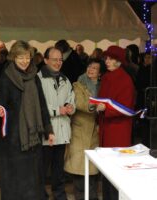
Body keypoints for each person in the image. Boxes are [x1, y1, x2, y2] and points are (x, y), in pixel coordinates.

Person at [0, 40, 54, 200]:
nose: (25, 61)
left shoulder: (35, 77)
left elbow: (42, 105)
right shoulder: (6, 78)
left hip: (33, 140)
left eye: (27, 57)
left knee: (34, 180)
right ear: (13, 57)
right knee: (15, 182)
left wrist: (49, 130)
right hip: (13, 141)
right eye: (21, 57)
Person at [96, 45, 135, 200]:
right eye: (106, 58)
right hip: (106, 128)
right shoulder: (106, 77)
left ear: (119, 61)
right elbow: (103, 100)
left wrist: (104, 109)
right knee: (106, 170)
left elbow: (126, 109)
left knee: (116, 170)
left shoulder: (126, 80)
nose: (107, 61)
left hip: (118, 131)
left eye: (110, 58)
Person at [38, 47, 75, 200]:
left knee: (59, 171)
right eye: (54, 60)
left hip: (62, 132)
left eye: (60, 60)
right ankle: (39, 196)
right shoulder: (38, 79)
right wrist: (57, 110)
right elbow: (38, 107)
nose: (58, 63)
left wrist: (71, 107)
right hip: (46, 132)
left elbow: (71, 99)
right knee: (41, 170)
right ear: (46, 60)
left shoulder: (66, 80)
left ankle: (59, 195)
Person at [64, 59, 104, 200]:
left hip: (95, 132)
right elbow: (79, 103)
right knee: (79, 170)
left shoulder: (103, 86)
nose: (90, 69)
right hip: (80, 130)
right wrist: (95, 105)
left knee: (92, 171)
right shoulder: (78, 84)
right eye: (89, 66)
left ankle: (92, 197)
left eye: (95, 68)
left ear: (99, 73)